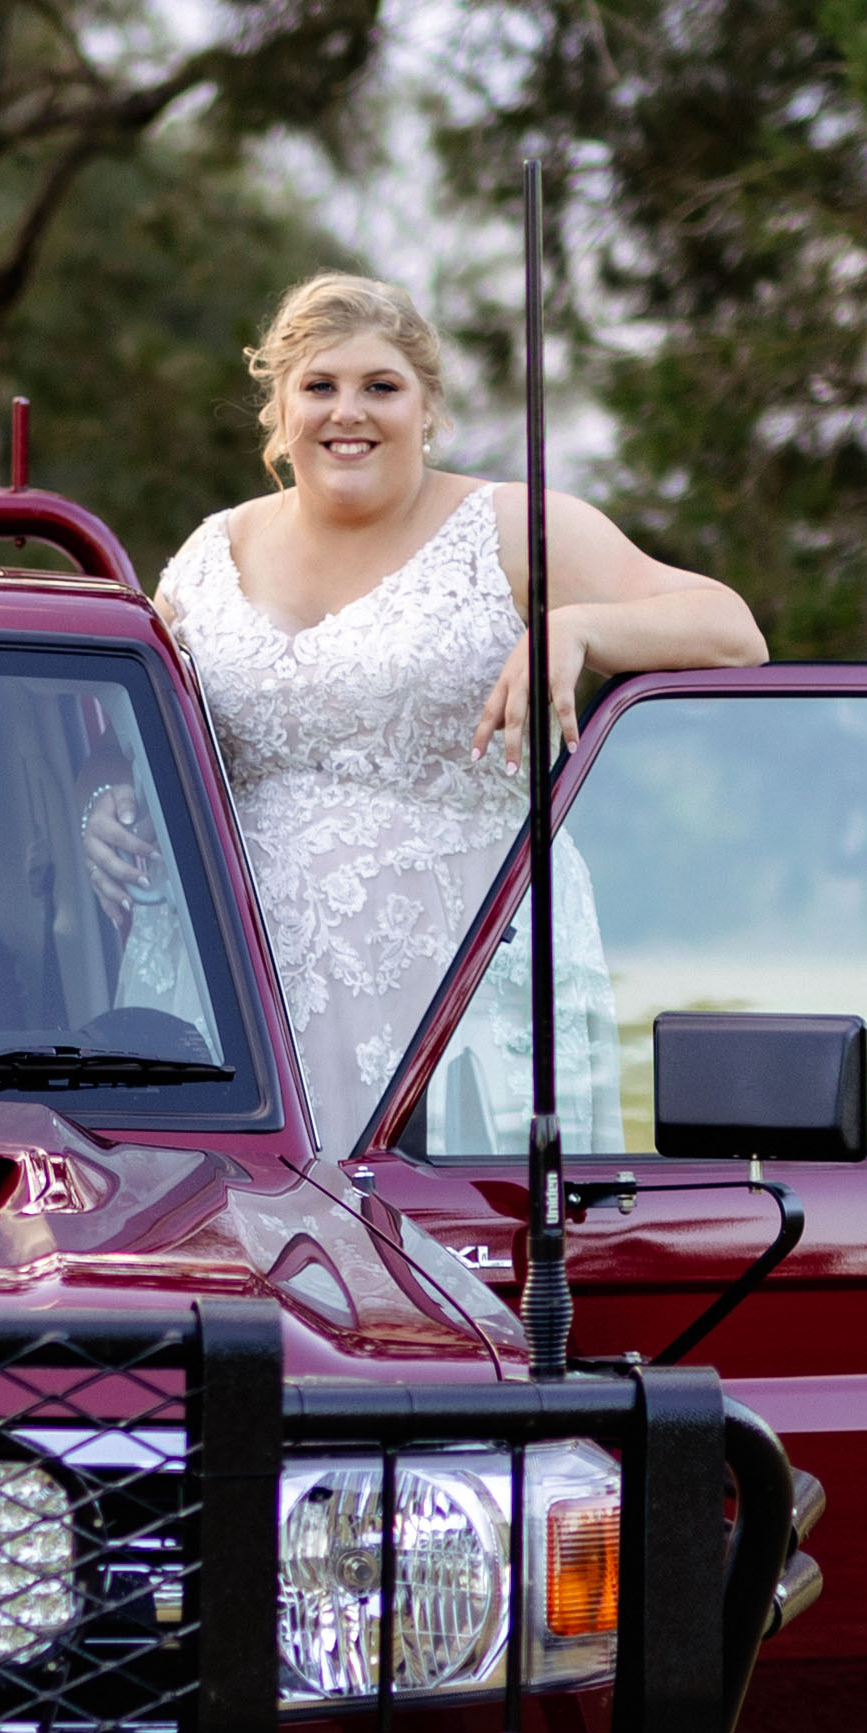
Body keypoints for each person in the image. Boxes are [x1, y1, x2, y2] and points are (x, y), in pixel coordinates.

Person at [96, 272, 762, 1129]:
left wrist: (580, 628)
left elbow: (733, 631)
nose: (348, 413)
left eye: (381, 387)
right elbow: (139, 739)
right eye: (320, 387)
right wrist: (104, 804)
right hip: (227, 993)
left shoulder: (510, 529)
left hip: (454, 997)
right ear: (280, 409)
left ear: (428, 407)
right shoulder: (208, 554)